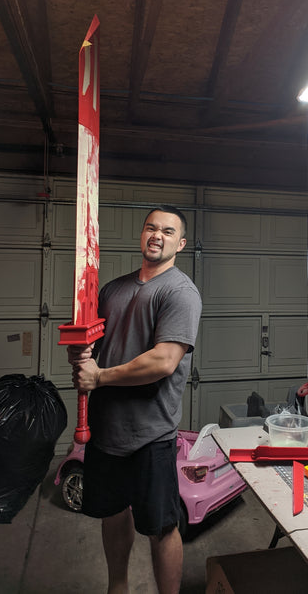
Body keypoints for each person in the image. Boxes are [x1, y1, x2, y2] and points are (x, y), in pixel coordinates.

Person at [68, 205, 202, 594]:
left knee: (161, 526)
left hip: (150, 433)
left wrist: (99, 376)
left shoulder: (180, 292)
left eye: (167, 231)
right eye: (150, 228)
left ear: (181, 243)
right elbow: (94, 346)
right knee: (112, 513)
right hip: (106, 428)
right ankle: (118, 587)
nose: (157, 235)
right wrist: (80, 352)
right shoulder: (113, 289)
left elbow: (164, 361)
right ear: (141, 234)